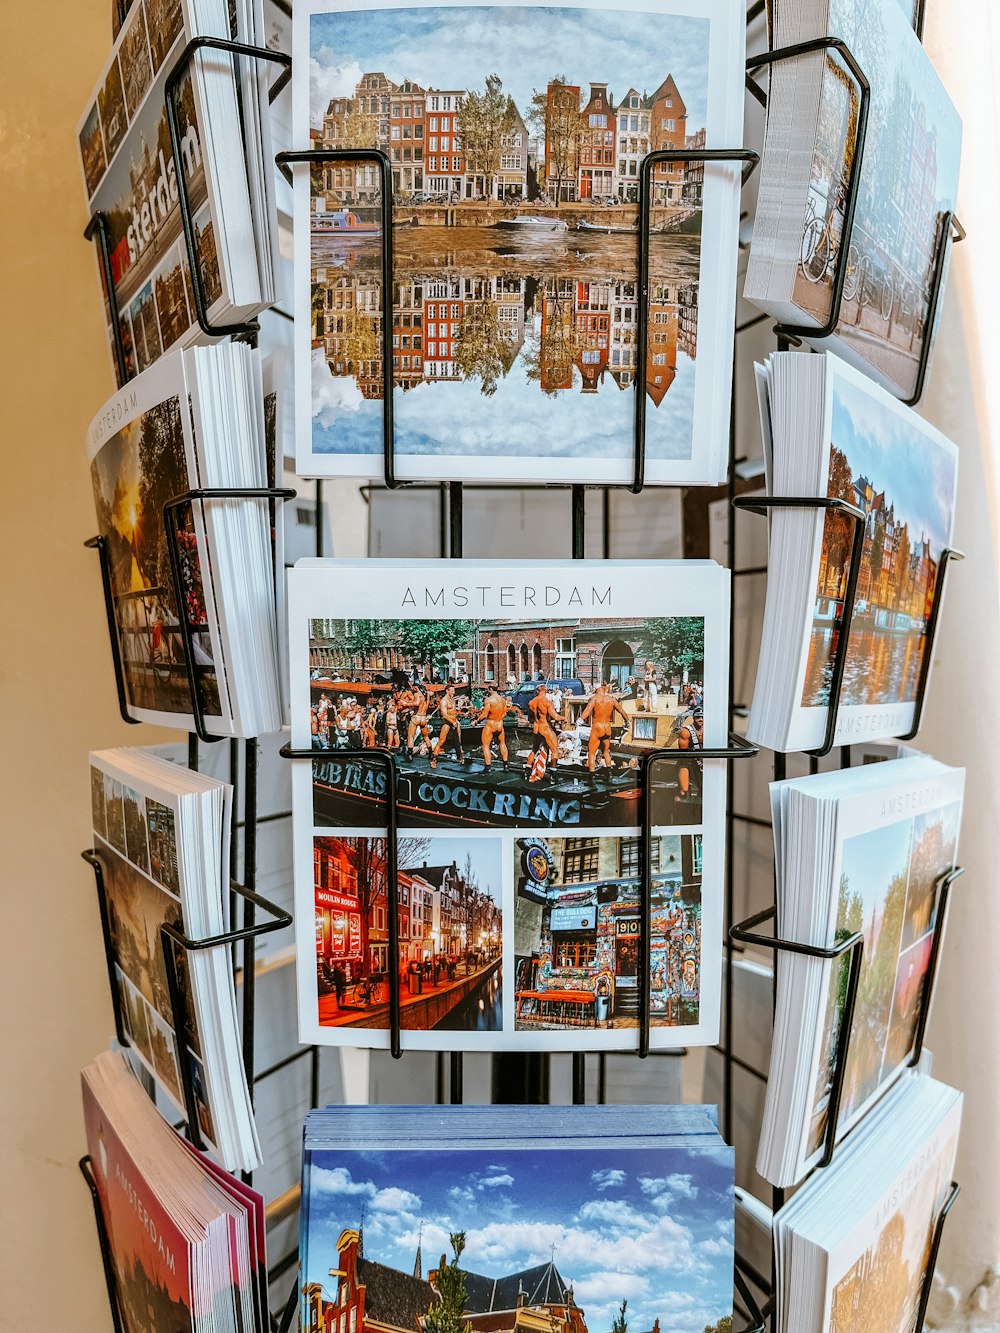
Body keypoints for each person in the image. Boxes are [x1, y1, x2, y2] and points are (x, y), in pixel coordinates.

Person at [580, 682, 629, 773]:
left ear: (596, 689)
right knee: (606, 752)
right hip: (607, 727)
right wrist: (627, 721)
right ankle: (609, 774)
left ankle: (591, 777)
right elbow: (621, 711)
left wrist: (580, 719)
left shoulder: (595, 699)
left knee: (591, 753)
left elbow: (587, 710)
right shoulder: (611, 699)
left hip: (598, 726)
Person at [525, 683, 561, 772]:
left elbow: (530, 718)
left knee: (534, 749)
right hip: (545, 728)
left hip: (536, 727)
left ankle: (527, 769)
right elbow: (556, 717)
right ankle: (553, 773)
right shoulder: (547, 703)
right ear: (546, 691)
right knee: (555, 750)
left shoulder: (531, 702)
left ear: (537, 691)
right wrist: (565, 718)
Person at [431, 683, 466, 768]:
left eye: (454, 691)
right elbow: (445, 715)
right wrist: (452, 722)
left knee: (458, 741)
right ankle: (434, 760)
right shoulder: (444, 701)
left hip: (454, 722)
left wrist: (456, 721)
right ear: (447, 691)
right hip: (447, 723)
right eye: (452, 691)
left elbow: (453, 711)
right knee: (441, 741)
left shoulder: (452, 699)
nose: (453, 692)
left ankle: (461, 758)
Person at [477, 687, 510, 769]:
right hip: (500, 723)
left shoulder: (489, 700)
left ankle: (488, 767)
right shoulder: (502, 700)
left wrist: (476, 721)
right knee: (502, 743)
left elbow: (484, 715)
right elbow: (505, 713)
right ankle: (506, 765)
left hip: (491, 724)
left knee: (485, 745)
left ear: (490, 689)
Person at [677, 706, 703, 800]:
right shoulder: (686, 732)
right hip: (688, 763)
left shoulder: (709, 730)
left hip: (705, 763)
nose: (700, 719)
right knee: (684, 789)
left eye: (702, 717)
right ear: (693, 718)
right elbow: (683, 755)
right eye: (698, 717)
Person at [406, 686, 434, 756]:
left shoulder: (417, 695)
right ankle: (431, 754)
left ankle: (409, 755)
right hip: (423, 717)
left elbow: (416, 703)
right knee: (426, 736)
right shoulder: (427, 698)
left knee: (410, 736)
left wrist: (406, 704)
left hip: (417, 717)